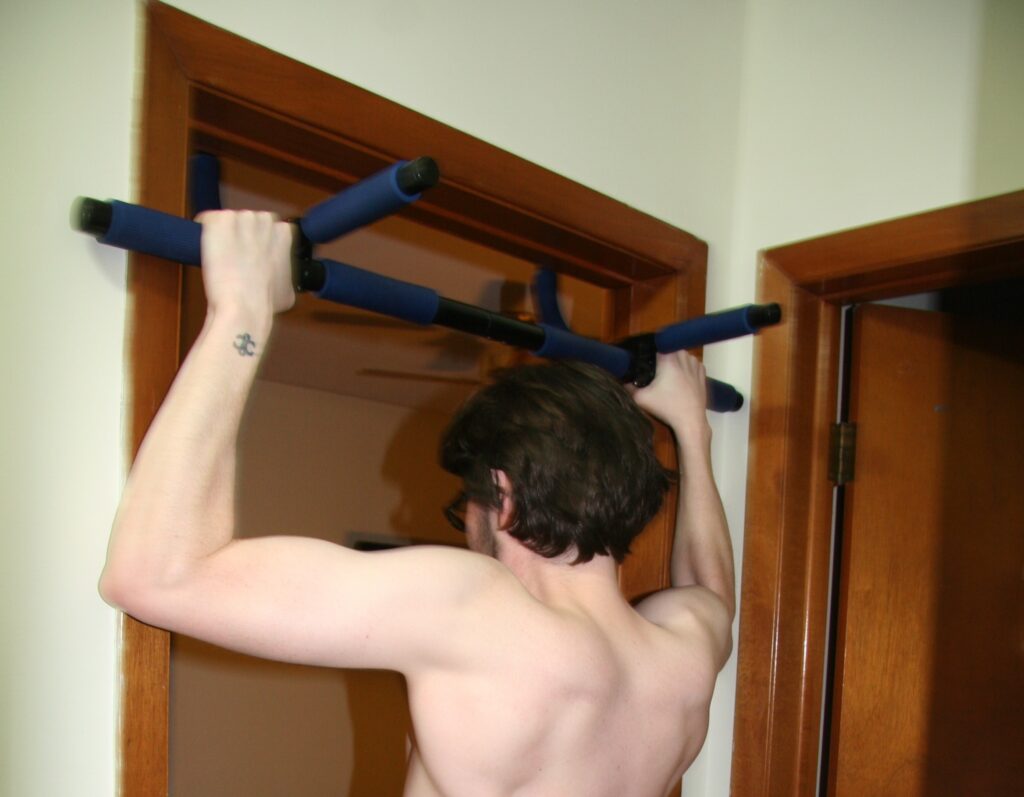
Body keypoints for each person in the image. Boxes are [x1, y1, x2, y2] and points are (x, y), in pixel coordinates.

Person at [100, 210, 735, 797]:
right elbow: (713, 588)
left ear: (502, 493)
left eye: (469, 504)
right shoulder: (684, 651)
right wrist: (693, 433)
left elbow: (154, 577)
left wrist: (242, 312)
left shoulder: (472, 608)